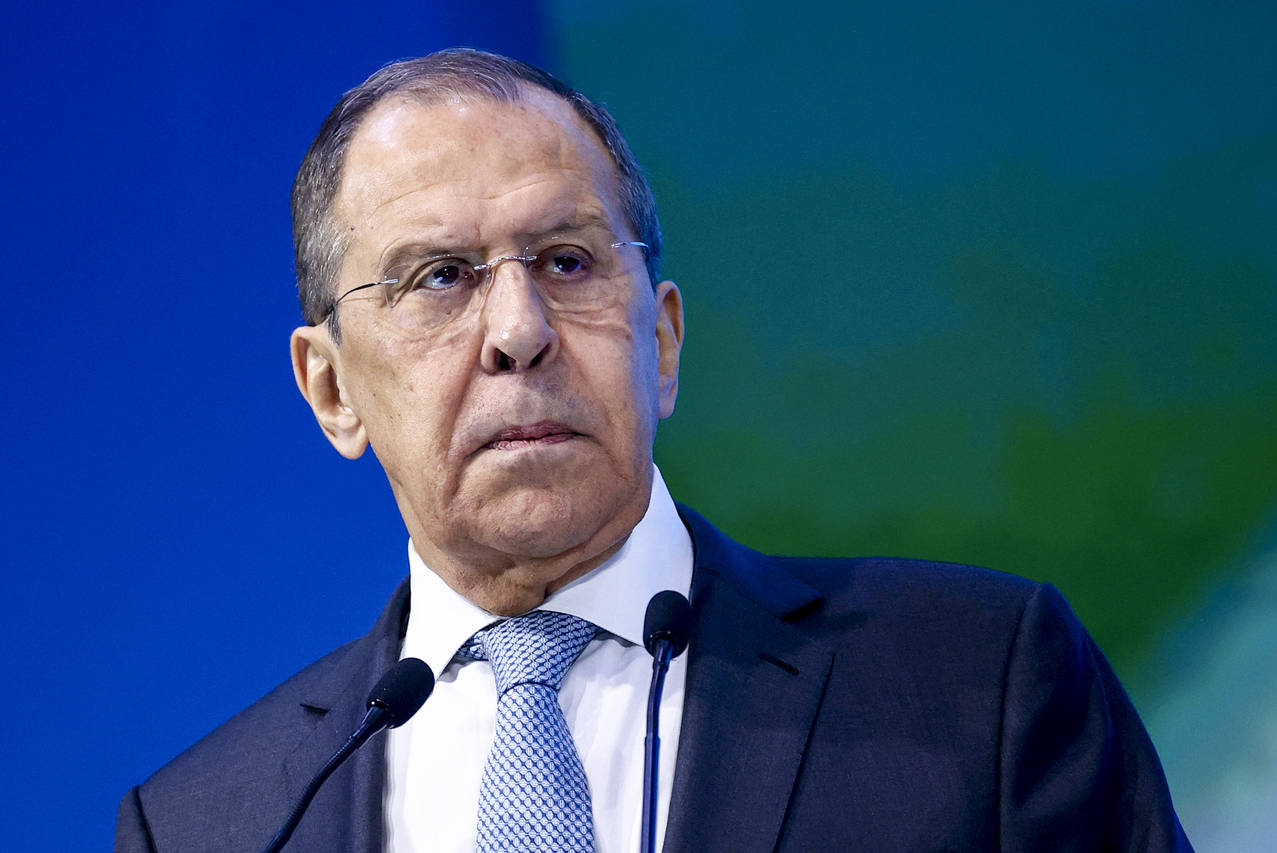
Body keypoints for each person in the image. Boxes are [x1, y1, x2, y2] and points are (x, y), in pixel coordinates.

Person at [114, 49, 1192, 852]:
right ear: (332, 388)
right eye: (439, 277)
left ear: (662, 341)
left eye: (567, 261)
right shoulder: (208, 824)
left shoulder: (977, 683)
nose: (519, 330)